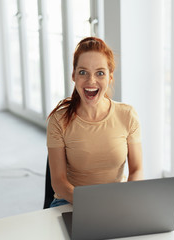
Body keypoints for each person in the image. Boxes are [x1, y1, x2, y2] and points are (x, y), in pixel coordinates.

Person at [47, 37, 143, 207]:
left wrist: (128, 197)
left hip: (115, 202)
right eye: (83, 72)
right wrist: (92, 204)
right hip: (70, 201)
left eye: (100, 73)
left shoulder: (127, 115)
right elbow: (59, 182)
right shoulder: (58, 121)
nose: (91, 81)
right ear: (73, 76)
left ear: (110, 77)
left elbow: (136, 170)